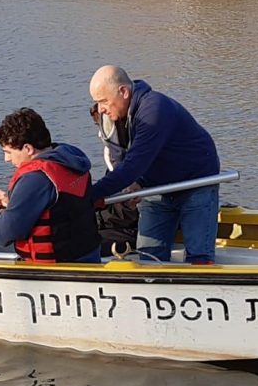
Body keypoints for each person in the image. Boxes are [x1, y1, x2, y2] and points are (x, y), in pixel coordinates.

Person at [88, 65, 220, 265]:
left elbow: (133, 165)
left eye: (104, 101)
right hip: (157, 188)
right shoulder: (113, 119)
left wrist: (89, 195)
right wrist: (134, 184)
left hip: (196, 183)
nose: (100, 109)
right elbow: (122, 160)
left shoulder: (154, 110)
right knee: (149, 256)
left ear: (123, 92)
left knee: (198, 257)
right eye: (97, 103)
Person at [0, 108, 100, 264]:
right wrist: (11, 201)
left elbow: (2, 235)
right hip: (89, 257)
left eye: (8, 152)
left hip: (57, 271)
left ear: (28, 149)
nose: (6, 159)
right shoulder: (70, 160)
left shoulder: (35, 179)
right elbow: (61, 205)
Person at [89, 103, 138, 256]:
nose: (100, 134)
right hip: (117, 222)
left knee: (84, 241)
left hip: (132, 228)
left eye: (102, 127)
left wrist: (94, 218)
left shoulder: (134, 156)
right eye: (99, 126)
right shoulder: (114, 155)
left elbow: (127, 212)